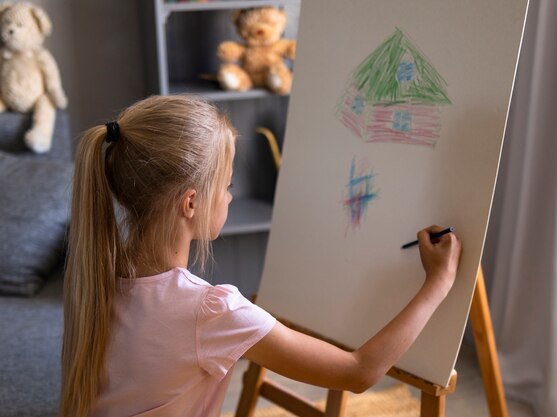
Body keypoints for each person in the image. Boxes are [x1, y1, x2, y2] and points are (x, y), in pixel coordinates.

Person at [59, 95, 462, 417]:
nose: (231, 196)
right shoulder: (212, 312)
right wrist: (438, 282)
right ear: (191, 203)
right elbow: (357, 372)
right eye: (227, 184)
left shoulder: (99, 277)